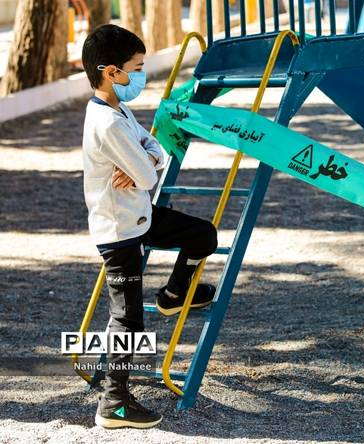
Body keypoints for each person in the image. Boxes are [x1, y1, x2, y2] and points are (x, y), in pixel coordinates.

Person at [81, 24, 218, 429]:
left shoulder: (118, 111)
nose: (141, 76)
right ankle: (114, 403)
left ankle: (175, 293)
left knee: (202, 235)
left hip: (140, 215)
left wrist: (147, 160)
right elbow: (144, 174)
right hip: (119, 231)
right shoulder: (105, 122)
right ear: (111, 72)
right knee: (127, 319)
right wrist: (144, 165)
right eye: (136, 69)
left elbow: (152, 149)